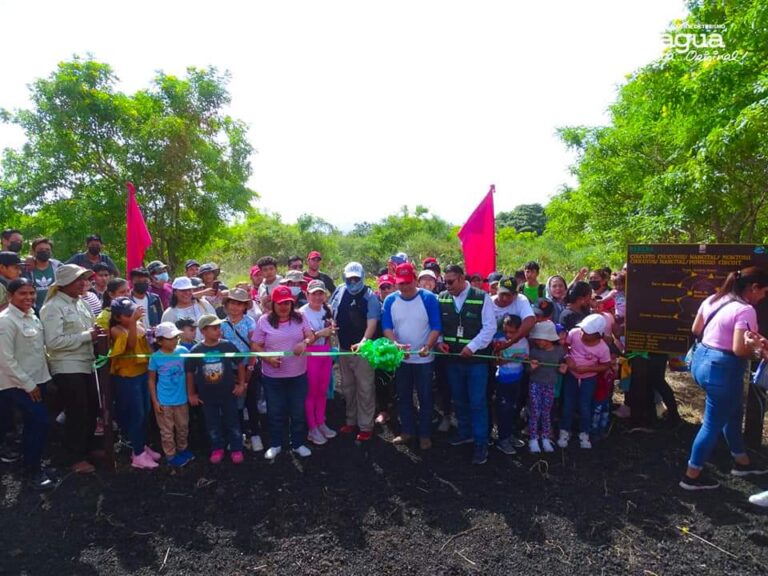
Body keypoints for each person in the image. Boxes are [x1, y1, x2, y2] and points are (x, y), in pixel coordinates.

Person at [680, 267, 768, 490]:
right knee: (711, 424)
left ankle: (742, 462)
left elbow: (696, 328)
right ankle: (692, 476)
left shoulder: (713, 299)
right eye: (764, 291)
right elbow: (740, 350)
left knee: (734, 412)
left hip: (702, 363)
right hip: (723, 370)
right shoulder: (745, 310)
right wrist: (758, 351)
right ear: (753, 288)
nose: (764, 297)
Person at [40, 264, 104, 473]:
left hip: (86, 363)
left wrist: (96, 332)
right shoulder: (52, 307)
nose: (83, 283)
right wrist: (87, 336)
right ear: (65, 282)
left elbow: (90, 328)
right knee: (77, 411)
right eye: (79, 279)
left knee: (92, 408)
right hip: (67, 366)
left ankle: (87, 448)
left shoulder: (82, 304)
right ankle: (74, 457)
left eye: (85, 279)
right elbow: (53, 342)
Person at [437, 264, 497, 465]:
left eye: (451, 282)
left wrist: (472, 347)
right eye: (445, 282)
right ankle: (464, 433)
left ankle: (481, 442)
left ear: (463, 278)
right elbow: (439, 326)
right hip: (453, 359)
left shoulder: (482, 297)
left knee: (478, 402)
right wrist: (440, 342)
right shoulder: (443, 297)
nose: (448, 286)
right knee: (459, 399)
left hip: (476, 361)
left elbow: (490, 327)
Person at [0, 278, 55, 490]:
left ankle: (33, 465)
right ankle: (32, 472)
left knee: (35, 425)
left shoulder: (32, 315)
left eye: (32, 293)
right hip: (17, 384)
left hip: (38, 380)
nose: (29, 297)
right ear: (10, 296)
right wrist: (28, 384)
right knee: (39, 421)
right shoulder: (5, 321)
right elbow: (5, 359)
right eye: (23, 293)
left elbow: (38, 351)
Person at [382, 263, 442, 450]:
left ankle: (424, 434)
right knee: (404, 396)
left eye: (408, 282)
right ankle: (407, 431)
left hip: (424, 359)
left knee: (425, 397)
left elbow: (436, 326)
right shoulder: (390, 300)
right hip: (402, 358)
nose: (405, 287)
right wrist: (396, 344)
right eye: (401, 283)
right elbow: (387, 328)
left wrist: (428, 345)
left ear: (415, 280)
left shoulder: (429, 298)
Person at [252, 285, 315, 460]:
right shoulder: (264, 320)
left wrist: (305, 343)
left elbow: (311, 335)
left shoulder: (301, 318)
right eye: (280, 303)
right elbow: (255, 345)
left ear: (292, 303)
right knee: (275, 412)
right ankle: (275, 444)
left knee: (297, 412)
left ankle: (298, 444)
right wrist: (268, 358)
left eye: (287, 302)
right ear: (273, 304)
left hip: (298, 375)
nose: (284, 306)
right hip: (273, 377)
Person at [330, 262, 382, 442]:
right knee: (347, 387)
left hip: (364, 350)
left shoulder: (370, 296)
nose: (352, 281)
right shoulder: (339, 291)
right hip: (344, 348)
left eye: (356, 278)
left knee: (365, 388)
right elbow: (331, 311)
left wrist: (363, 342)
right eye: (349, 278)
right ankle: (351, 421)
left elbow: (372, 322)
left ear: (362, 277)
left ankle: (366, 425)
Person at [186, 314, 247, 464]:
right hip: (207, 397)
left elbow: (239, 363)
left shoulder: (226, 345)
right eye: (214, 328)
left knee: (233, 422)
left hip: (228, 394)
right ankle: (217, 448)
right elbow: (189, 372)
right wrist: (191, 394)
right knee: (212, 424)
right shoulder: (196, 350)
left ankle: (236, 448)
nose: (218, 330)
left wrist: (241, 383)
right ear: (203, 331)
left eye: (219, 327)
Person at [108, 297, 159, 469]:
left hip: (142, 373)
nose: (132, 316)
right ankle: (137, 454)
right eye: (127, 314)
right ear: (117, 317)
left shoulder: (138, 325)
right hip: (127, 378)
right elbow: (129, 345)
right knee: (135, 414)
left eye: (132, 312)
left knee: (145, 412)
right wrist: (133, 323)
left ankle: (141, 446)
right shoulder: (116, 330)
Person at [558, 314, 612, 450]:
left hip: (589, 378)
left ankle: (584, 432)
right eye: (582, 329)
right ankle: (564, 430)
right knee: (568, 403)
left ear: (597, 335)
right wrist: (567, 358)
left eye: (587, 332)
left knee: (585, 405)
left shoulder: (603, 348)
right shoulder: (575, 333)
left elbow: (605, 365)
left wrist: (588, 368)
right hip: (572, 375)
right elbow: (566, 347)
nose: (582, 333)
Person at [219, 288, 262, 452]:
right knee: (233, 404)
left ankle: (255, 434)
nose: (235, 307)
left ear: (245, 306)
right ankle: (238, 434)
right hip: (231, 370)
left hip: (250, 366)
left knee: (251, 400)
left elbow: (254, 345)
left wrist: (251, 366)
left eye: (239, 304)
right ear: (227, 304)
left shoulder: (250, 322)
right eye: (232, 303)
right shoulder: (222, 324)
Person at [148, 322, 194, 467]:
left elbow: (191, 371)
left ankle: (182, 449)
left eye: (176, 337)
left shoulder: (183, 352)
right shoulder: (155, 357)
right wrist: (155, 401)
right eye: (170, 338)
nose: (175, 340)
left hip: (181, 400)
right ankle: (170, 456)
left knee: (183, 427)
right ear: (160, 340)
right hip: (164, 402)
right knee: (167, 431)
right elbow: (151, 380)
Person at [300, 280, 337, 446]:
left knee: (322, 391)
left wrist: (330, 331)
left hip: (325, 352)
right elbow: (302, 339)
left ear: (325, 295)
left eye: (320, 293)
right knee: (311, 392)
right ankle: (312, 427)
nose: (317, 296)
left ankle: (321, 422)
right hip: (310, 355)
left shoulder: (327, 309)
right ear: (307, 295)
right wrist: (322, 332)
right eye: (313, 293)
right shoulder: (301, 313)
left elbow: (329, 333)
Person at [526, 320, 566, 454]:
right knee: (535, 411)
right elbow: (527, 369)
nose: (538, 342)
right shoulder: (534, 351)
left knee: (546, 412)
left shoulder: (559, 351)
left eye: (540, 339)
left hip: (550, 385)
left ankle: (545, 437)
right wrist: (531, 368)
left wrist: (563, 368)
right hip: (535, 384)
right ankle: (532, 438)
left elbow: (563, 362)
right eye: (536, 339)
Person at [493, 314, 529, 455]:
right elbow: (496, 361)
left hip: (517, 379)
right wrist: (511, 358)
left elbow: (526, 357)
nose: (508, 335)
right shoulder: (499, 341)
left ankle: (509, 435)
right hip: (503, 380)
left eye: (512, 332)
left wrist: (526, 359)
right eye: (506, 331)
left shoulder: (523, 342)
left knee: (513, 408)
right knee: (504, 409)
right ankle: (502, 439)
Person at [161, 277, 216, 341]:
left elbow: (215, 323)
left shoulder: (203, 304)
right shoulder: (169, 314)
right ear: (175, 292)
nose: (187, 293)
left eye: (189, 290)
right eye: (183, 290)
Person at [25, 237, 62, 312]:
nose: (44, 251)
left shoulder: (58, 266)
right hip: (34, 311)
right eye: (41, 250)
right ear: (34, 252)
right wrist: (29, 257)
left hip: (56, 310)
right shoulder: (26, 268)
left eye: (47, 250)